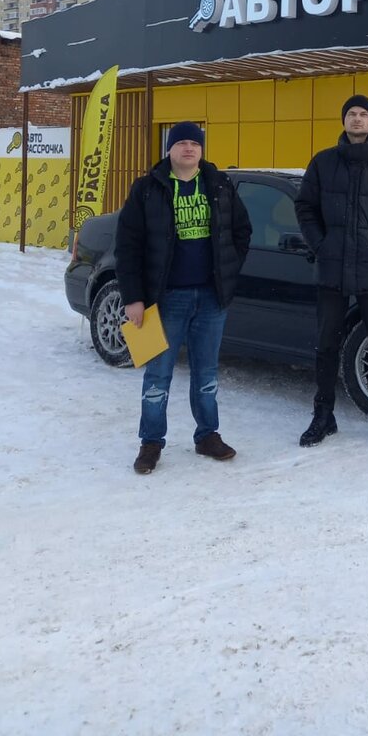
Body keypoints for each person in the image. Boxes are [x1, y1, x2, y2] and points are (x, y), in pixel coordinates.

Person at [116, 120, 252, 474]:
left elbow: (242, 230)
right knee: (158, 376)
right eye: (181, 143)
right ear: (170, 149)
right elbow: (127, 246)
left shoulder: (219, 184)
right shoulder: (148, 189)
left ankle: (207, 436)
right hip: (165, 300)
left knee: (206, 374)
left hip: (211, 298)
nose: (189, 148)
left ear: (201, 149)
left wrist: (229, 268)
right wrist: (133, 297)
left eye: (195, 143)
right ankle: (151, 443)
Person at [294, 95, 368, 448]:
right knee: (326, 345)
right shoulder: (323, 162)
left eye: (363, 114)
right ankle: (323, 416)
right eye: (351, 114)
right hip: (331, 268)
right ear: (343, 120)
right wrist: (321, 245)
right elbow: (305, 207)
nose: (357, 119)